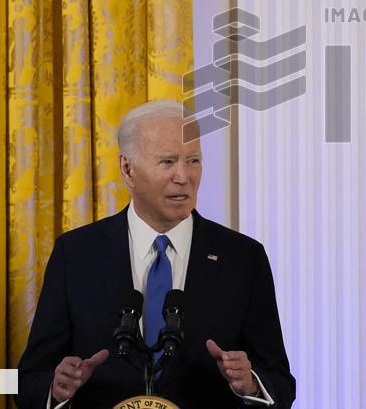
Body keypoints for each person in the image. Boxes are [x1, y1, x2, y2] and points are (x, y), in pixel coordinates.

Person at [16, 100, 295, 408]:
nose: (184, 176)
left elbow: (281, 383)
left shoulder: (243, 258)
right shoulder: (77, 254)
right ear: (127, 169)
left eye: (193, 161)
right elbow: (29, 381)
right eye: (167, 162)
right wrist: (57, 388)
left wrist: (252, 383)